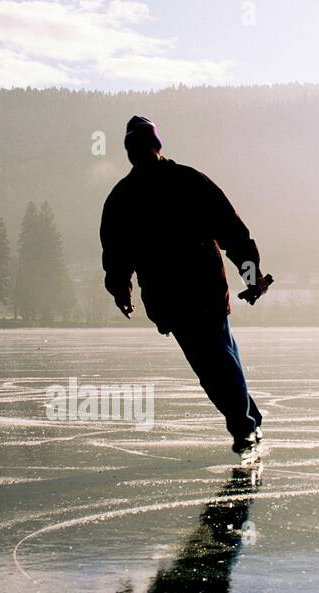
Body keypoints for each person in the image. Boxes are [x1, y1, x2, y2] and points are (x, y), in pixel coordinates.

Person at [100, 115, 272, 455]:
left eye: (143, 147)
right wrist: (120, 287)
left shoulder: (181, 183)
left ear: (155, 146)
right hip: (172, 300)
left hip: (202, 290)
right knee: (217, 360)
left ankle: (244, 426)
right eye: (134, 149)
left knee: (216, 362)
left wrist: (251, 275)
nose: (140, 154)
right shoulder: (128, 196)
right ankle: (247, 418)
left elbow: (232, 232)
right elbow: (117, 252)